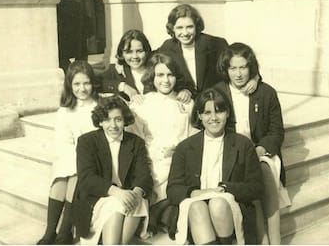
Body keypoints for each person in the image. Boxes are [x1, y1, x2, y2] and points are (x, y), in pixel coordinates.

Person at [215, 42, 291, 244]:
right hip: (232, 153)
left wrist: (260, 149)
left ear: (251, 68)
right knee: (249, 174)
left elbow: (276, 131)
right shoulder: (218, 92)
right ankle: (262, 238)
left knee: (264, 171)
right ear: (226, 69)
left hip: (262, 150)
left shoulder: (266, 93)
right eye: (233, 68)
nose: (238, 74)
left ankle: (275, 240)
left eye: (243, 67)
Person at [167, 87, 264, 245]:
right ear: (199, 115)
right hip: (195, 210)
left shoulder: (242, 144)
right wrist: (195, 192)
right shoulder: (185, 147)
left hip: (230, 209)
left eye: (219, 111)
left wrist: (225, 188)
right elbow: (172, 190)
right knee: (197, 207)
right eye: (207, 113)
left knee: (217, 203)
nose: (213, 118)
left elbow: (256, 187)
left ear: (227, 113)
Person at [126, 53, 199, 234]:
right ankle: (163, 213)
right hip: (151, 158)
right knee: (155, 173)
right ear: (152, 75)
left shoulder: (187, 103)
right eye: (160, 75)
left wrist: (178, 151)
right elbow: (134, 139)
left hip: (179, 159)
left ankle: (160, 212)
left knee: (177, 175)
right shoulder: (143, 103)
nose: (165, 80)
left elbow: (194, 137)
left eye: (170, 75)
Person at [72, 96, 153, 244]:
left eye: (118, 119)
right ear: (100, 121)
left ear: (125, 120)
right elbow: (87, 178)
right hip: (97, 198)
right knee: (117, 205)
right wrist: (116, 192)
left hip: (127, 198)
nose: (113, 125)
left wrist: (135, 193)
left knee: (138, 200)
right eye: (107, 120)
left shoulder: (136, 143)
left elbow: (144, 176)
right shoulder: (86, 141)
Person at [37, 60, 99, 244]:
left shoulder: (99, 105)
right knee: (61, 175)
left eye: (86, 83)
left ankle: (65, 229)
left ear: (93, 83)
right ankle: (49, 232)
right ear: (69, 85)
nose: (82, 89)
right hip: (72, 156)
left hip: (94, 159)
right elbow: (63, 143)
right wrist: (74, 160)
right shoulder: (65, 111)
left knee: (75, 174)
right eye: (77, 84)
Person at [158, 4, 259, 96]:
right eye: (179, 28)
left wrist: (254, 78)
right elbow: (147, 66)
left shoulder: (215, 43)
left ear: (197, 26)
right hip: (186, 104)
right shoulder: (167, 47)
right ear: (172, 28)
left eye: (189, 27)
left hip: (216, 101)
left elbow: (241, 59)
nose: (185, 33)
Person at [98, 29, 192, 104]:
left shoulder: (157, 66)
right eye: (129, 52)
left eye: (139, 51)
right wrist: (122, 86)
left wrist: (186, 91)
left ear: (147, 51)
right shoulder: (116, 70)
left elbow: (182, 82)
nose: (135, 56)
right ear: (122, 53)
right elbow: (94, 82)